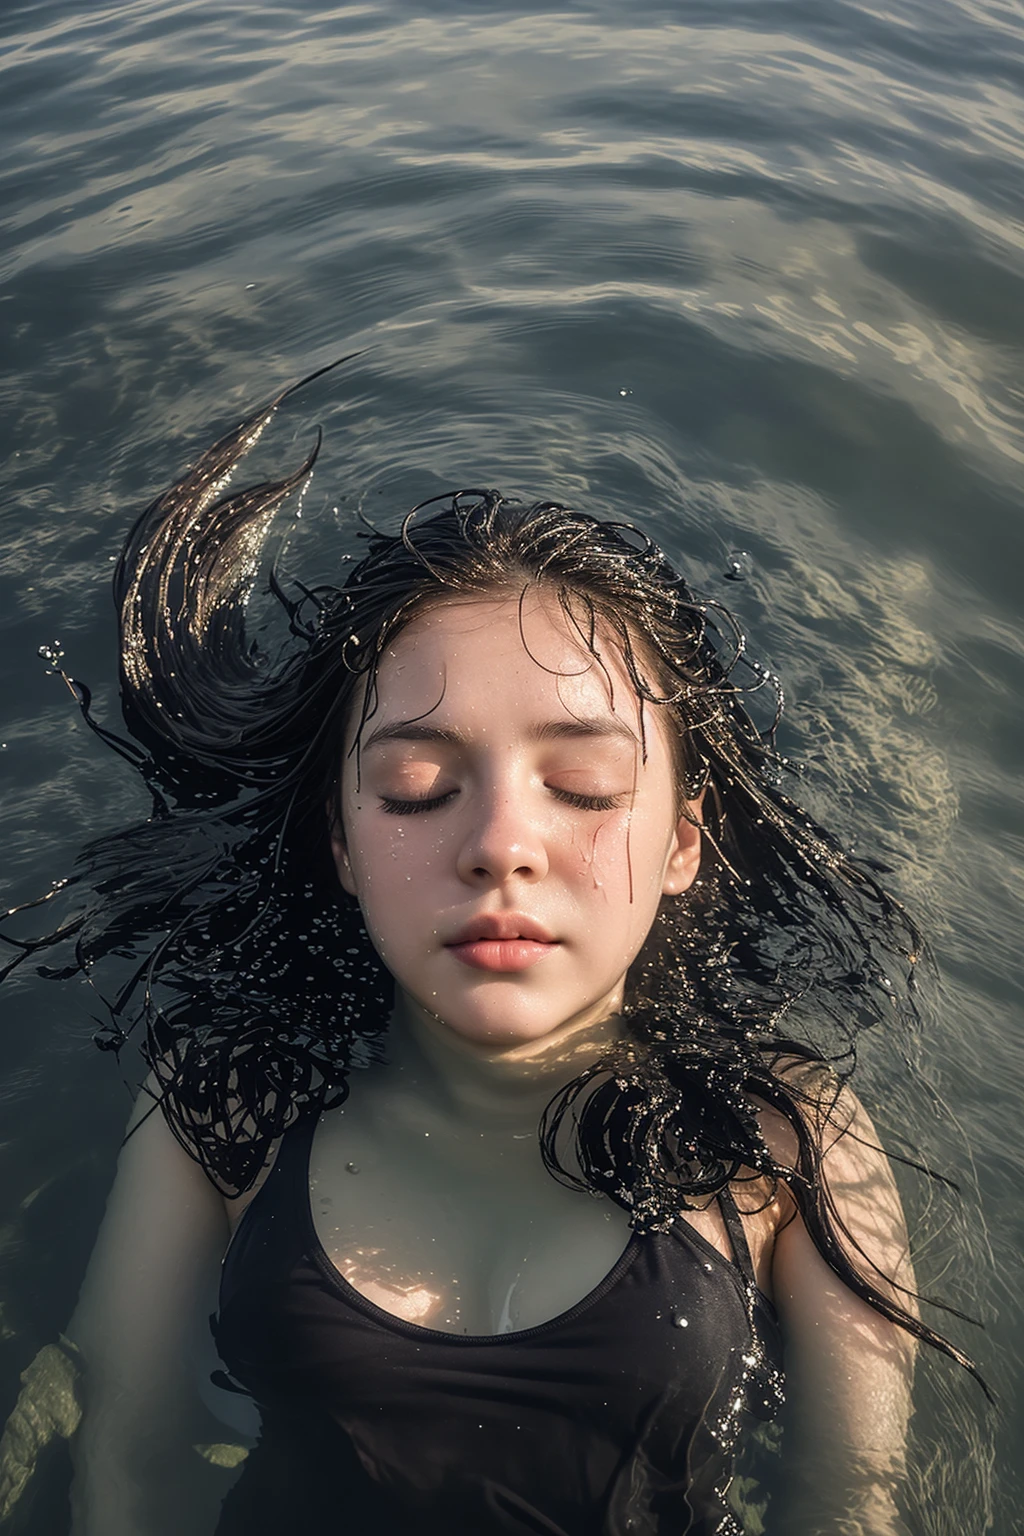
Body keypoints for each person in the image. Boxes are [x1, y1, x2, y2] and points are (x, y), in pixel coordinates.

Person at [1, 369, 982, 1536]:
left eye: (583, 786)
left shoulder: (781, 1134)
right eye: (418, 790)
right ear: (343, 845)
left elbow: (847, 1502)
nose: (501, 844)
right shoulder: (224, 1105)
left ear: (680, 841)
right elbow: (128, 1459)